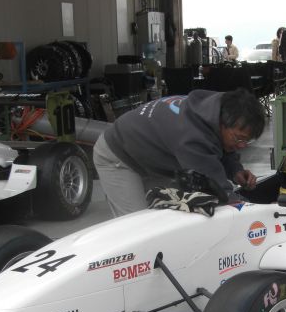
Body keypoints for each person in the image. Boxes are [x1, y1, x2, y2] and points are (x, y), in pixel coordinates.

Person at [93, 88, 265, 217]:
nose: (242, 146)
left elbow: (220, 147)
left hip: (150, 151)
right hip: (118, 155)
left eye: (247, 141)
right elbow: (220, 191)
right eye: (239, 139)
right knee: (138, 226)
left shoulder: (216, 107)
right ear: (221, 123)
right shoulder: (193, 136)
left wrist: (235, 169)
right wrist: (258, 212)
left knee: (169, 216)